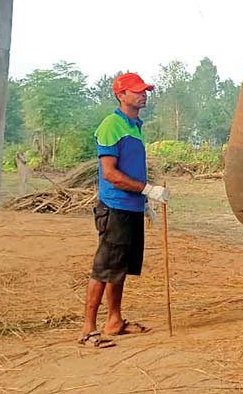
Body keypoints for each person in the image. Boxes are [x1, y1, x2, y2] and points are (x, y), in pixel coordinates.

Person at [78, 72, 169, 348]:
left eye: (145, 90)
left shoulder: (135, 126)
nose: (143, 95)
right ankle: (88, 329)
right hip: (115, 208)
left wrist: (144, 203)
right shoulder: (111, 126)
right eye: (137, 91)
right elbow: (110, 174)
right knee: (104, 268)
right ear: (121, 95)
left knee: (120, 268)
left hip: (130, 207)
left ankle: (114, 320)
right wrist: (146, 189)